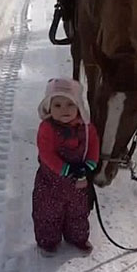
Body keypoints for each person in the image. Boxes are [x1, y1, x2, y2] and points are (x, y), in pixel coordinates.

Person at [33, 78, 100, 256]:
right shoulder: (46, 128)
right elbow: (46, 153)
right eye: (58, 105)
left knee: (78, 212)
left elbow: (93, 146)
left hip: (79, 182)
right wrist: (66, 169)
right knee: (48, 213)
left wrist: (89, 165)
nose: (65, 110)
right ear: (49, 108)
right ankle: (48, 241)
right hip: (51, 182)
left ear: (79, 105)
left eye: (70, 104)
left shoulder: (87, 128)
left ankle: (77, 237)